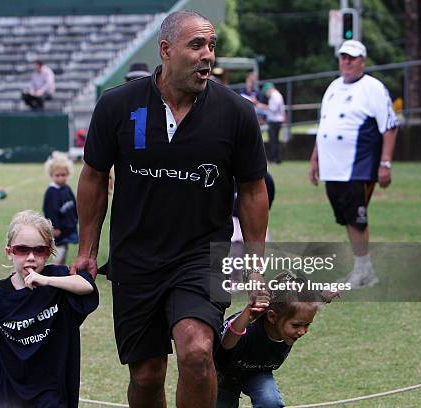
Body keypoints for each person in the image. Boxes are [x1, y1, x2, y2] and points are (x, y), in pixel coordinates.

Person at [72, 10, 270, 408]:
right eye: (196, 45)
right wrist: (87, 251)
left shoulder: (237, 112)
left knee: (197, 353)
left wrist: (254, 266)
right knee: (146, 377)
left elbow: (252, 190)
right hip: (135, 258)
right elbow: (94, 176)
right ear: (165, 50)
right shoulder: (118, 106)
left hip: (201, 256)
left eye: (211, 46)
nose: (207, 55)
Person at [0, 210, 98, 408]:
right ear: (9, 252)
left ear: (49, 252)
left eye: (39, 250)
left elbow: (87, 286)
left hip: (51, 386)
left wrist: (47, 280)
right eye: (22, 250)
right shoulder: (0, 293)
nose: (31, 257)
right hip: (11, 388)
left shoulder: (58, 280)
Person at [309, 40, 398, 289]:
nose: (347, 62)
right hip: (332, 167)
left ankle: (363, 270)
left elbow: (390, 126)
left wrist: (385, 163)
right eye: (343, 57)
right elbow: (323, 127)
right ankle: (364, 270)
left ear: (363, 61)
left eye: (353, 57)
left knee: (357, 218)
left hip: (359, 165)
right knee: (346, 217)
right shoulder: (333, 87)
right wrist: (315, 159)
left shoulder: (373, 88)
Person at [215, 272, 326, 408]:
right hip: (221, 375)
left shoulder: (286, 323)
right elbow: (225, 345)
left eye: (307, 325)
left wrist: (320, 297)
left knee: (270, 402)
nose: (302, 331)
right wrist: (247, 314)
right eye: (296, 325)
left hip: (256, 373)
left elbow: (299, 305)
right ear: (272, 317)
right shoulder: (247, 325)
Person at [43, 151, 78, 265]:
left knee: (65, 249)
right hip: (59, 229)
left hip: (68, 226)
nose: (61, 178)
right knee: (59, 250)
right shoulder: (51, 191)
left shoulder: (67, 188)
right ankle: (55, 270)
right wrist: (54, 227)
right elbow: (49, 211)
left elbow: (74, 204)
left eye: (63, 175)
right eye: (57, 175)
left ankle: (61, 269)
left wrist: (76, 218)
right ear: (51, 175)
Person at [257, 83, 286, 164]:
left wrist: (261, 106)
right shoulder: (277, 95)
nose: (266, 95)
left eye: (266, 92)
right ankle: (277, 159)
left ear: (268, 90)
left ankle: (273, 159)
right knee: (275, 140)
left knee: (273, 141)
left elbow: (273, 109)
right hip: (277, 121)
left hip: (274, 121)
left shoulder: (275, 96)